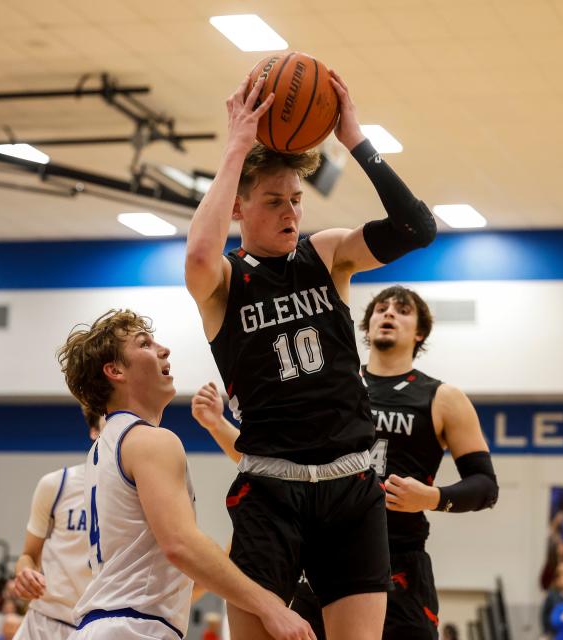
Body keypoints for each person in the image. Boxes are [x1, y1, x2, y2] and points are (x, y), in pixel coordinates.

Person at [185, 65, 437, 639]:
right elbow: (198, 258)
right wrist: (235, 150)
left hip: (351, 486)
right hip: (270, 488)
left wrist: (355, 139)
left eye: (296, 199)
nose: (291, 213)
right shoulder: (225, 283)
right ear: (238, 209)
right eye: (274, 201)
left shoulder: (326, 256)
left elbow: (416, 228)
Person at [57, 309, 313, 640]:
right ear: (115, 370)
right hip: (133, 627)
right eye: (145, 344)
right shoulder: (150, 440)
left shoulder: (103, 448)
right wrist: (270, 606)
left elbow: (159, 563)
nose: (164, 349)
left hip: (109, 623)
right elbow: (179, 544)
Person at [12, 407, 100, 639]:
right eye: (110, 419)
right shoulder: (58, 484)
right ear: (94, 430)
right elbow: (28, 556)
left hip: (99, 628)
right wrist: (25, 574)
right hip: (44, 621)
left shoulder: (143, 494)